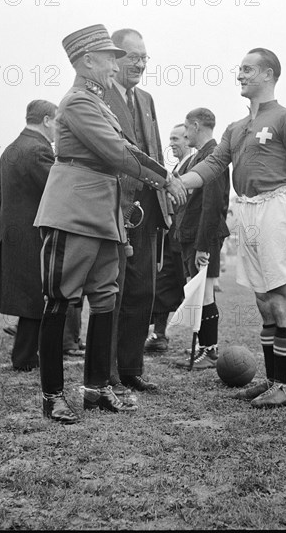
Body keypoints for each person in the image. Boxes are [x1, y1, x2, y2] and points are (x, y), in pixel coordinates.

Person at [34, 24, 186, 424]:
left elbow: (127, 150)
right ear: (87, 62)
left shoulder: (97, 103)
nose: (115, 64)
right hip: (75, 213)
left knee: (105, 300)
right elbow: (119, 152)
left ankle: (96, 389)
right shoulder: (78, 103)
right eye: (109, 58)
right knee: (59, 300)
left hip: (105, 215)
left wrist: (156, 175)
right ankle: (52, 396)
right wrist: (165, 178)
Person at [179, 48, 286, 408]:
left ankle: (285, 387)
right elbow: (213, 165)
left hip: (278, 208)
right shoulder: (236, 128)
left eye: (248, 69)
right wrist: (178, 182)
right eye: (240, 69)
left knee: (281, 298)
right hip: (248, 211)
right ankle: (272, 381)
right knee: (263, 301)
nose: (240, 75)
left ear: (269, 74)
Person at [106, 28, 174, 393]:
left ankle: (131, 369)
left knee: (142, 292)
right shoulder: (97, 96)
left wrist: (164, 195)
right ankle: (107, 372)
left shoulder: (146, 99)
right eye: (133, 57)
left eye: (145, 58)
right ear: (114, 58)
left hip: (147, 212)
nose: (140, 64)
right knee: (111, 293)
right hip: (114, 207)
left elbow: (156, 152)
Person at [0, 99, 58, 372]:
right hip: (33, 234)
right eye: (57, 122)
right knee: (35, 298)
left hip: (13, 231)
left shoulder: (11, 149)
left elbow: (1, 197)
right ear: (47, 120)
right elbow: (55, 191)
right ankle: (25, 357)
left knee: (31, 296)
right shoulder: (39, 150)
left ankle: (27, 355)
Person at [174, 108, 230, 370]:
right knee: (199, 292)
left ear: (196, 125)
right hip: (195, 236)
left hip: (203, 237)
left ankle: (210, 351)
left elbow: (212, 205)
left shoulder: (214, 156)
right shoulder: (203, 155)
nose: (185, 134)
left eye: (186, 127)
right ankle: (206, 347)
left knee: (205, 292)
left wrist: (202, 246)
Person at [144, 124, 193, 353]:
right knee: (163, 285)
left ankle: (204, 343)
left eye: (176, 138)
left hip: (187, 237)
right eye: (170, 138)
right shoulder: (174, 169)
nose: (171, 143)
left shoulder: (196, 166)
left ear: (188, 138)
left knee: (191, 288)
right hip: (171, 236)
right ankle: (159, 334)